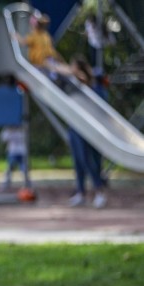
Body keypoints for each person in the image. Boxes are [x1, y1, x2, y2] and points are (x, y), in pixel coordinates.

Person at [67, 55, 107, 208]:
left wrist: (85, 82)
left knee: (89, 160)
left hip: (89, 128)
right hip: (75, 127)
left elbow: (100, 104)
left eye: (74, 68)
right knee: (78, 161)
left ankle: (99, 191)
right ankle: (81, 192)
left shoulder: (93, 87)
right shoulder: (72, 84)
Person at [18, 14, 67, 78]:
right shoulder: (44, 36)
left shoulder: (43, 36)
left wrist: (16, 36)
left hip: (41, 66)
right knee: (54, 67)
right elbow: (51, 52)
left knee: (54, 66)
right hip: (42, 65)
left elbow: (23, 42)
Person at [0, 126, 31, 191]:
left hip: (21, 152)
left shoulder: (22, 129)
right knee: (9, 168)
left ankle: (27, 184)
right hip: (12, 152)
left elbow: (25, 137)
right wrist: (8, 130)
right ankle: (7, 183)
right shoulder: (8, 130)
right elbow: (3, 139)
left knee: (24, 168)